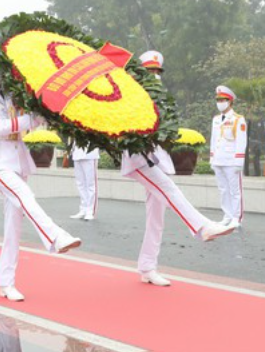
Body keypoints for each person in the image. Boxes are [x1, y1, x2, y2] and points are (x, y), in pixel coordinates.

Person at [0, 44, 80, 302]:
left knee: (13, 225)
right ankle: (55, 236)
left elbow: (29, 117)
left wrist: (43, 112)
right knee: (24, 195)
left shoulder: (13, 94)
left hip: (17, 158)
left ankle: (6, 282)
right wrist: (33, 118)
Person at [121, 51, 235, 288]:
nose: (155, 75)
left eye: (157, 71)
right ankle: (202, 227)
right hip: (137, 158)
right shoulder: (130, 93)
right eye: (150, 71)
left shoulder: (159, 98)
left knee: (156, 217)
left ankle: (147, 267)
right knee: (169, 189)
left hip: (154, 157)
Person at [210, 85, 247, 228]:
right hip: (218, 159)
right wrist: (212, 158)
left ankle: (237, 218)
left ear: (230, 101)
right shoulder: (216, 119)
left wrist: (239, 161)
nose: (219, 102)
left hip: (231, 160)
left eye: (222, 100)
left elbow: (241, 141)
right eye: (218, 100)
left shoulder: (238, 119)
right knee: (223, 190)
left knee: (235, 190)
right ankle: (227, 215)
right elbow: (214, 139)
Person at [70, 145, 100, 221]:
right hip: (77, 154)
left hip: (90, 155)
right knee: (80, 184)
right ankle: (83, 209)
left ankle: (90, 211)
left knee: (90, 184)